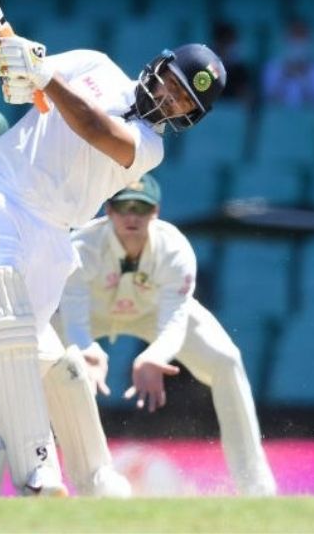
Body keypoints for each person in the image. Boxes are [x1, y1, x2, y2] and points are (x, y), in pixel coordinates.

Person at [0, 33, 227, 498]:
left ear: (189, 116)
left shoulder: (151, 146)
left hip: (52, 234)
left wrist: (44, 74)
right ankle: (38, 469)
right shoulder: (94, 65)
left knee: (28, 358)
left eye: (184, 100)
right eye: (172, 83)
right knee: (7, 331)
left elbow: (95, 129)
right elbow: (22, 88)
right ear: (158, 67)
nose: (171, 98)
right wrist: (19, 65)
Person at [58, 174, 277, 495]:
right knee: (23, 359)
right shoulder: (82, 247)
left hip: (152, 311)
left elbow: (174, 319)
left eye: (141, 208)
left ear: (155, 212)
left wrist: (154, 355)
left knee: (226, 360)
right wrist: (86, 350)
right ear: (108, 210)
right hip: (92, 312)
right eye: (124, 208)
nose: (132, 217)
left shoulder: (175, 248)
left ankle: (256, 487)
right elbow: (73, 314)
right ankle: (26, 477)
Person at [262, 17, 314, 107]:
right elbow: (269, 101)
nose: (298, 41)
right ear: (285, 38)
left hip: (309, 115)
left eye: (302, 35)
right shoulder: (272, 66)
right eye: (294, 35)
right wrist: (284, 76)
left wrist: (304, 77)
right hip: (278, 114)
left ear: (311, 39)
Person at [210, 21, 254, 104]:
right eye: (223, 42)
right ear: (216, 43)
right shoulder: (204, 67)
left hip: (233, 110)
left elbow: (246, 97)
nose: (227, 48)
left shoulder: (240, 70)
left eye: (229, 43)